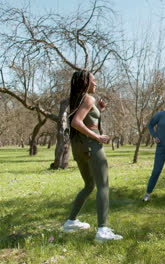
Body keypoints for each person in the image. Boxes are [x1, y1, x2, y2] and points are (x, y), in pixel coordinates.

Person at [62, 70, 123, 242]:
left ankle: (70, 222)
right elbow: (76, 122)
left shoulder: (78, 99)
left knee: (89, 185)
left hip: (78, 147)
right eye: (93, 80)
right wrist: (97, 137)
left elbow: (86, 119)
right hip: (91, 146)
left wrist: (99, 109)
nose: (96, 83)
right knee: (103, 185)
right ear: (85, 82)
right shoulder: (89, 98)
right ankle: (102, 231)